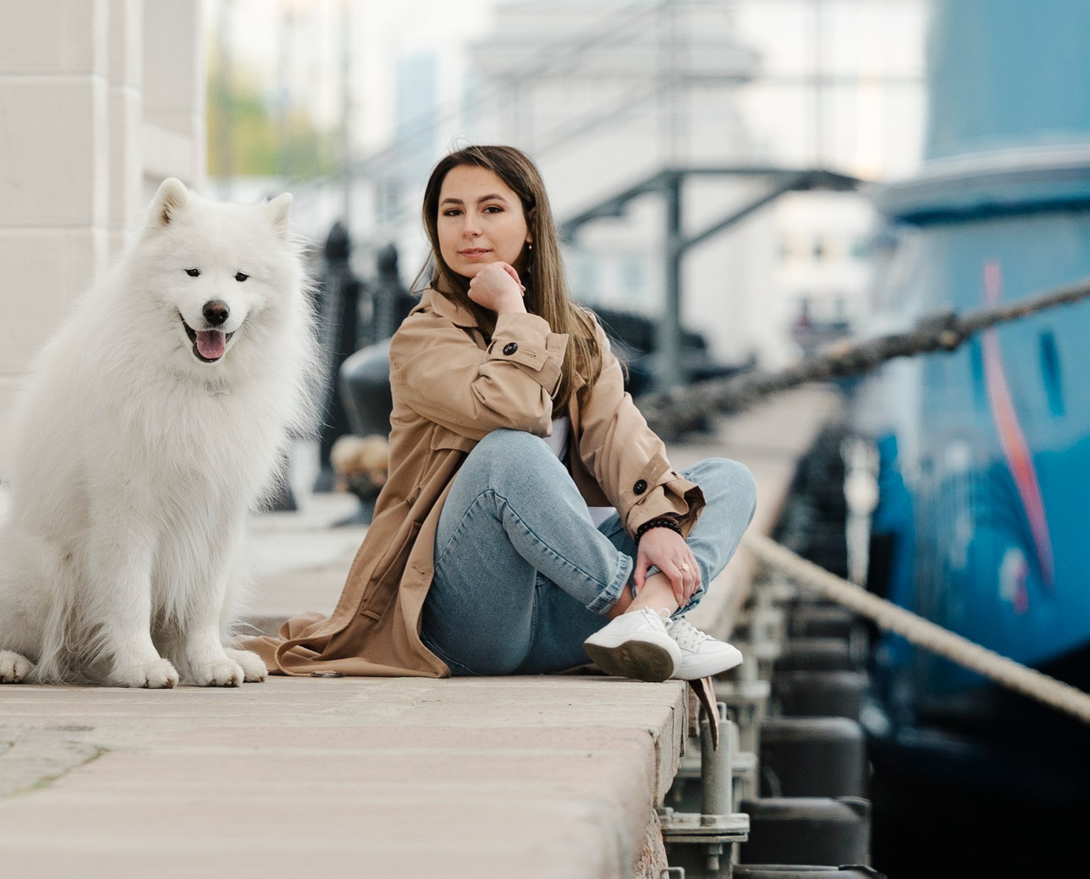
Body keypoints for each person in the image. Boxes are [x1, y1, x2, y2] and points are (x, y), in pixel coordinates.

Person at [246, 144, 756, 681]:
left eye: (491, 209)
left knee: (726, 481)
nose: (470, 228)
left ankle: (645, 620)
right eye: (452, 212)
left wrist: (657, 521)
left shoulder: (579, 335)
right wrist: (513, 310)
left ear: (530, 224)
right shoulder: (423, 338)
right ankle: (638, 614)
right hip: (473, 622)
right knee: (506, 454)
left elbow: (621, 441)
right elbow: (515, 414)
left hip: (569, 614)